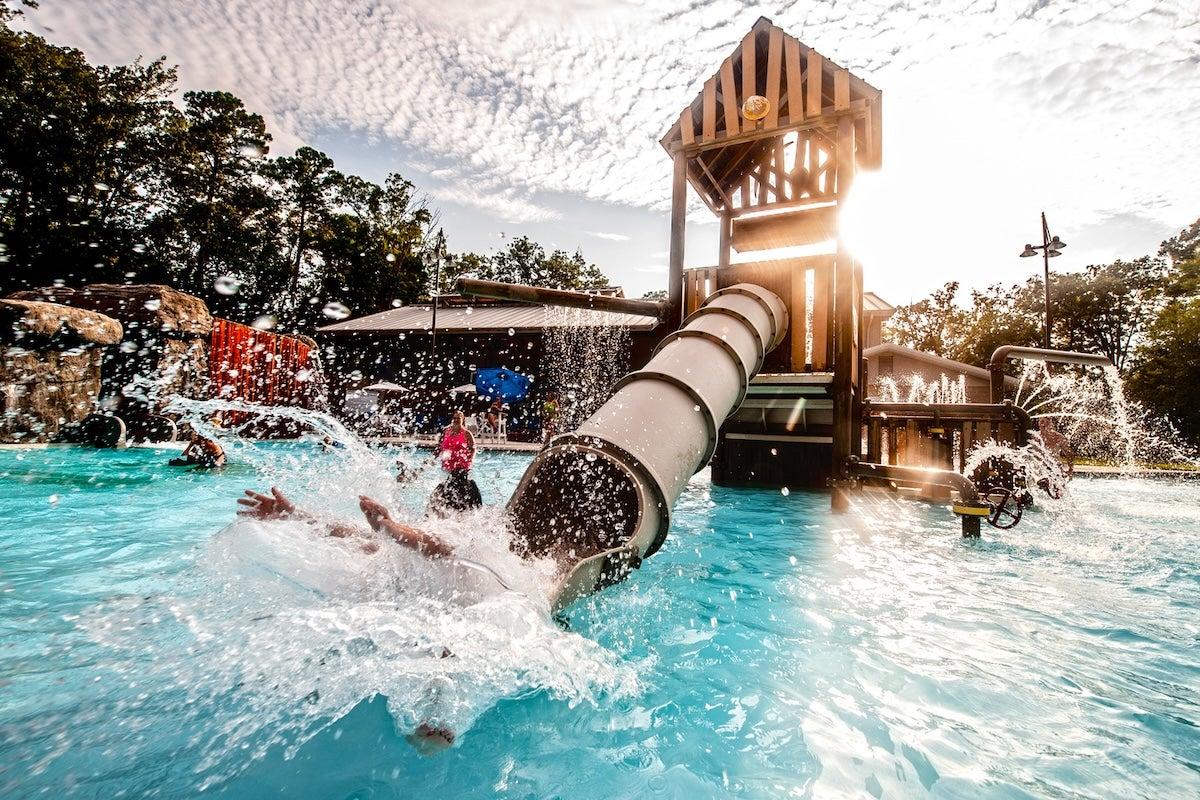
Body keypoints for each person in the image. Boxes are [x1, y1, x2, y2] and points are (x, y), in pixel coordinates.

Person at [428, 410, 482, 514]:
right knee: (447, 488)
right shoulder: (446, 432)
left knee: (454, 488)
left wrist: (470, 461)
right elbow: (439, 448)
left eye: (458, 418)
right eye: (455, 418)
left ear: (463, 420)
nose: (456, 420)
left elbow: (473, 449)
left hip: (462, 468)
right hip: (449, 468)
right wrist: (431, 459)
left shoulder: (467, 434)